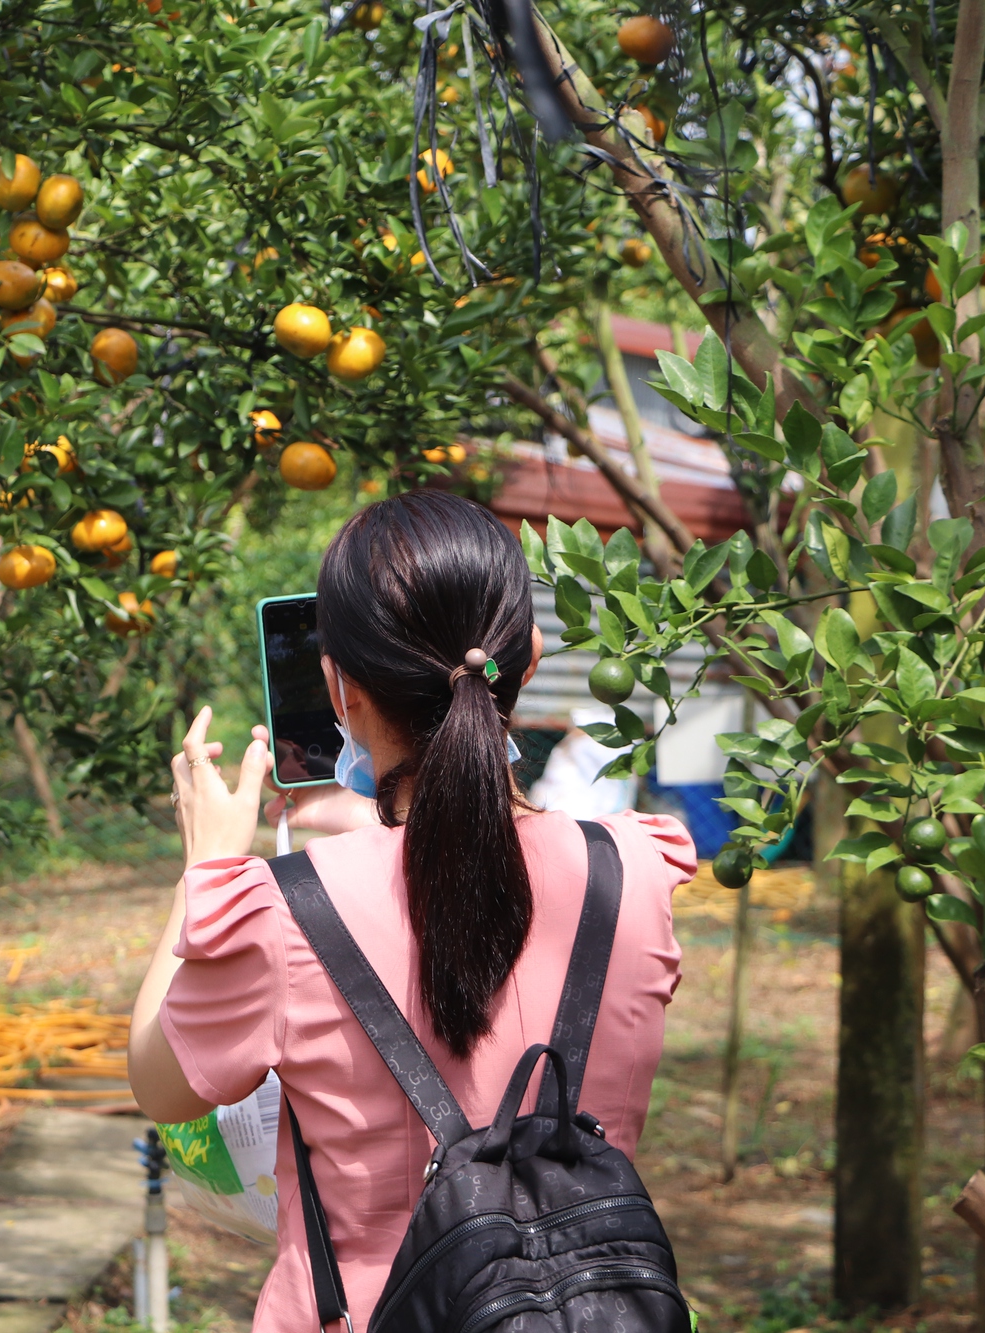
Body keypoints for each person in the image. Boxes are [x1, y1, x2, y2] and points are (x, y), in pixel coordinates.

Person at [128, 491, 694, 1333]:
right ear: (528, 658)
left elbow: (161, 1084)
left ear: (338, 691)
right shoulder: (637, 870)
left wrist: (207, 867)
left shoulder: (285, 914)